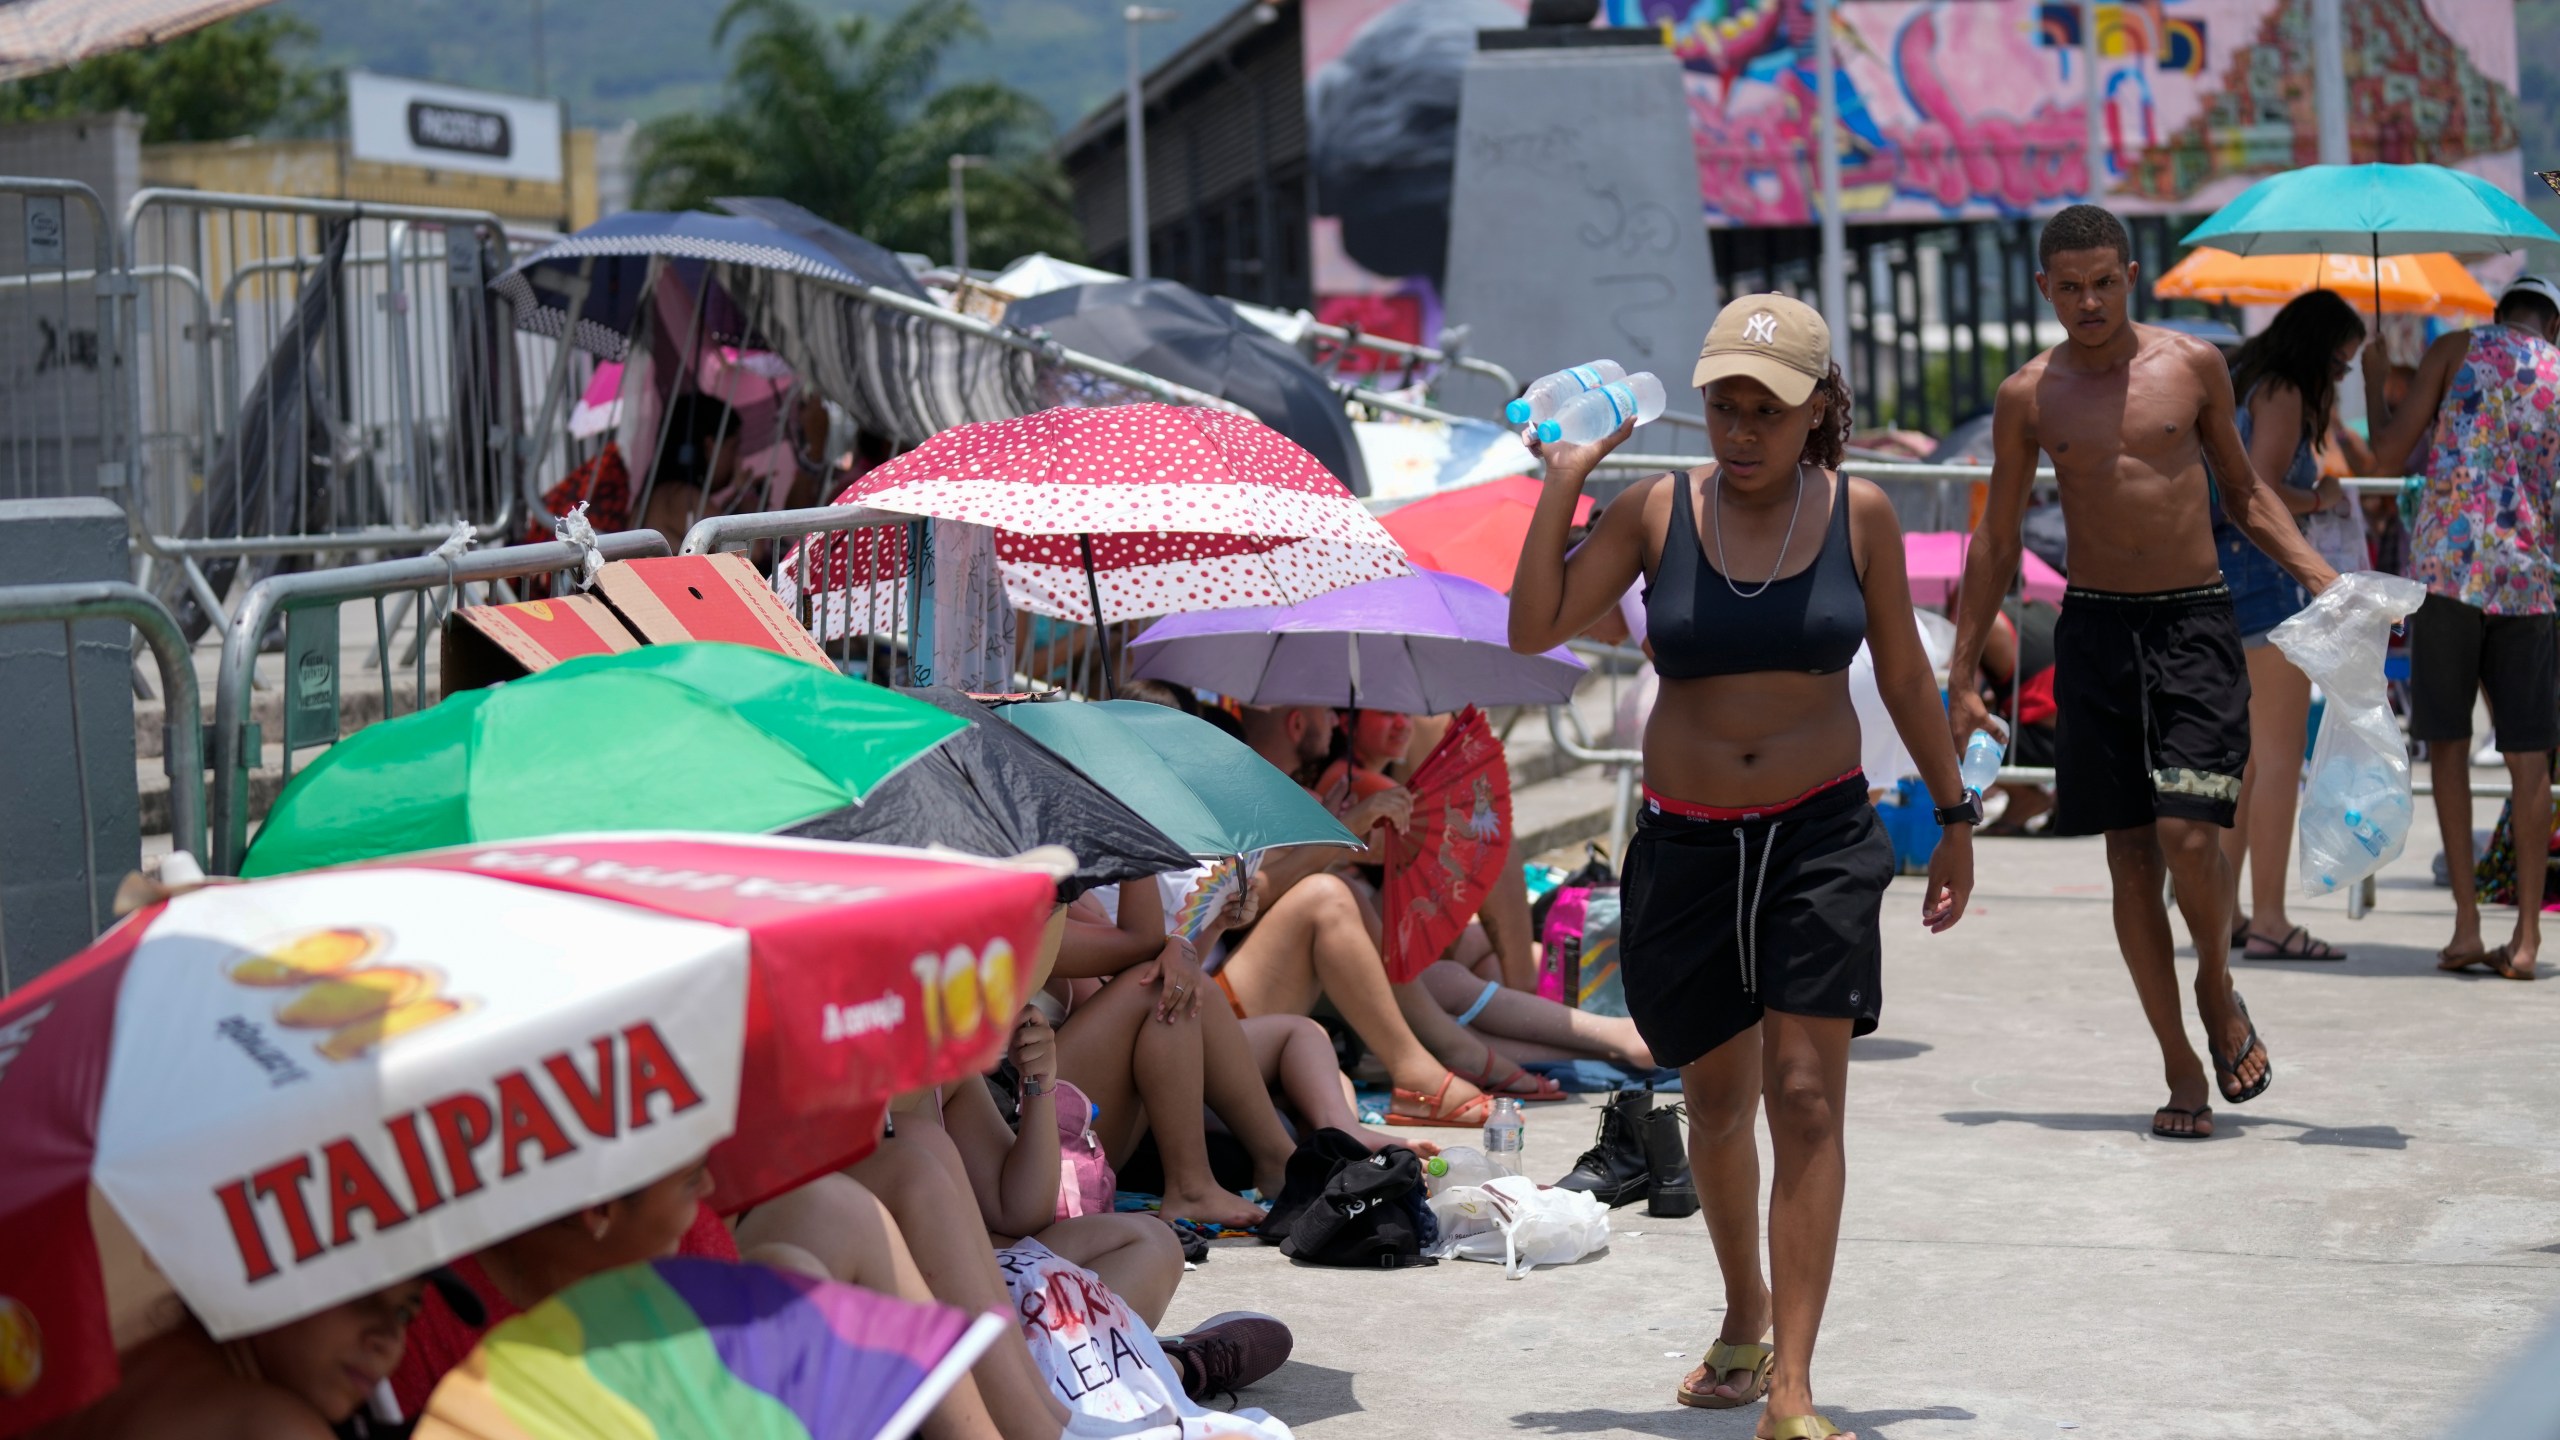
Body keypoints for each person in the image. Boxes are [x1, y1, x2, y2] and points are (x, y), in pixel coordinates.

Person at [1511, 292, 1973, 1440]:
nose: (1742, 429)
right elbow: (1530, 628)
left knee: (1805, 1099)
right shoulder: (1654, 513)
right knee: (1716, 1102)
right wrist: (1565, 477)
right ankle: (1743, 1310)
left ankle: (1796, 1389)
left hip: (1818, 834)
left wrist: (1954, 810)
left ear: (1818, 409)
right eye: (1724, 404)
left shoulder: (1858, 513)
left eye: (1767, 407)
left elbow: (1908, 681)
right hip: (1688, 842)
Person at [1947, 205, 2340, 1142]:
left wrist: (2325, 582)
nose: (2088, 301)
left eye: (2103, 281)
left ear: (2131, 275)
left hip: (2194, 623)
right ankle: (2177, 1059)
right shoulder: (2028, 396)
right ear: (2045, 290)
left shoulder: (2192, 367)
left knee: (2189, 833)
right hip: (2097, 633)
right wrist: (1962, 672)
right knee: (2128, 862)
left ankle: (2214, 977)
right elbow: (1998, 535)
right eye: (2068, 286)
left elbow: (2243, 490)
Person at [2362, 276, 2560, 982]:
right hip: (2529, 580)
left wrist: (2375, 383)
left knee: (2446, 745)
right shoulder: (2559, 370)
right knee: (2529, 757)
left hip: (2448, 574)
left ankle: (2467, 927)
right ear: (2552, 324)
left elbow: (2385, 458)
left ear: (2499, 315)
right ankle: (2530, 937)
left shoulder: (2454, 349)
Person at [2211, 289, 2368, 961]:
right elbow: (2262, 490)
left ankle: (2229, 914)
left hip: (2231, 579)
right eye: (2341, 361)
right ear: (2316, 345)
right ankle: (2270, 919)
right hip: (2264, 581)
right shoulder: (2279, 393)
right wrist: (2322, 496)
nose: (2343, 374)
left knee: (2248, 763)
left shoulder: (2250, 379)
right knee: (2277, 761)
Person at [35, 1282, 423, 1439]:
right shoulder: (278, 1429)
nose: (388, 1341)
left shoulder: (130, 1364)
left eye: (405, 1313)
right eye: (362, 1295)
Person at [1975, 593, 2059, 835]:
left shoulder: (1989, 623)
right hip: (2086, 739)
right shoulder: (2047, 607)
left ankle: (2026, 799)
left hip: (2041, 742)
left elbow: (1963, 695)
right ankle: (2062, 803)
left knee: (1956, 725)